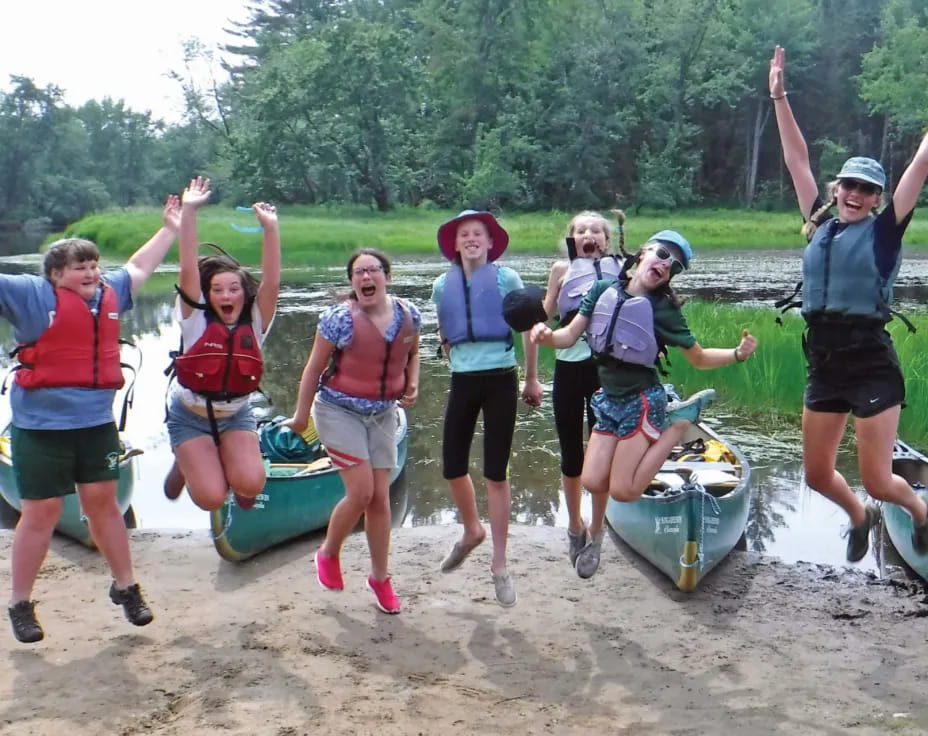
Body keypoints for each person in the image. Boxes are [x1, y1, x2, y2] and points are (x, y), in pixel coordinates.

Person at [768, 45, 928, 561]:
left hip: (871, 363)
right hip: (825, 361)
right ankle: (859, 517)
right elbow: (796, 158)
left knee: (879, 479)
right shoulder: (818, 220)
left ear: (879, 198)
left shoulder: (885, 232)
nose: (856, 194)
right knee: (816, 474)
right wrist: (779, 97)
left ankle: (921, 513)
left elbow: (921, 163)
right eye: (849, 185)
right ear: (837, 189)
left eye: (868, 189)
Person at [2, 196, 181, 644]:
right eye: (79, 267)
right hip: (39, 429)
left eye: (95, 265)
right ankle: (20, 604)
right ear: (55, 274)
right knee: (41, 511)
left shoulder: (110, 295)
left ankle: (126, 588)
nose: (91, 273)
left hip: (95, 425)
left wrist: (170, 229)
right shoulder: (28, 294)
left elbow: (140, 266)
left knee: (102, 504)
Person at [531, 230, 757, 577]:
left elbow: (697, 358)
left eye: (675, 265)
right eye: (663, 255)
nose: (667, 265)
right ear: (642, 254)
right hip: (607, 399)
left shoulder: (662, 310)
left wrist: (736, 354)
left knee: (624, 490)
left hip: (643, 400)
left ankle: (678, 423)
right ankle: (597, 533)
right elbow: (568, 336)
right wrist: (546, 336)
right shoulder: (601, 291)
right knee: (592, 480)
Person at [286, 248, 420, 614]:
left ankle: (380, 577)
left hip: (382, 414)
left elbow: (412, 351)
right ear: (352, 282)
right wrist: (300, 418)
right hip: (337, 411)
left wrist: (413, 381)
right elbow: (313, 369)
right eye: (358, 273)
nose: (366, 278)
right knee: (361, 492)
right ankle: (328, 553)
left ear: (386, 277)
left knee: (379, 498)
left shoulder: (410, 314)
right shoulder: (338, 320)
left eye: (373, 271)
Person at [431, 210, 543, 607]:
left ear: (490, 242)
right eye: (464, 235)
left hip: (500, 379)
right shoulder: (441, 285)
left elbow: (529, 331)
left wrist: (531, 379)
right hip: (463, 380)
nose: (471, 239)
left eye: (478, 234)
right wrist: (449, 353)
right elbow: (444, 329)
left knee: (496, 472)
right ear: (455, 243)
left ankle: (499, 564)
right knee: (452, 466)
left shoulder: (506, 279)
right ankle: (471, 530)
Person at [162, 177, 281, 512]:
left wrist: (271, 229)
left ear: (244, 294)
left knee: (249, 489)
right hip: (189, 414)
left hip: (236, 412)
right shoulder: (195, 319)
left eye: (233, 289)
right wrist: (189, 211)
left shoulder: (255, 322)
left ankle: (215, 458)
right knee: (212, 498)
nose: (226, 295)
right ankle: (185, 459)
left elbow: (272, 280)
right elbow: (187, 266)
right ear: (207, 294)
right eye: (217, 289)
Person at [540, 210, 623, 577]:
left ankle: (597, 530)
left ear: (607, 240)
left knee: (601, 457)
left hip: (606, 371)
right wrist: (529, 317)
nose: (590, 234)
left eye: (597, 230)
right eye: (581, 230)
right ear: (572, 238)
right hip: (569, 369)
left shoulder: (622, 269)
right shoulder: (561, 270)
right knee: (572, 453)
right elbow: (544, 312)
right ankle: (574, 525)